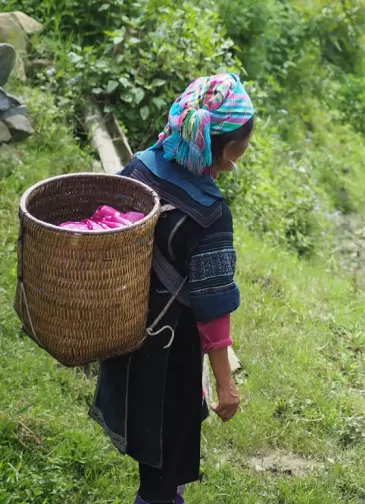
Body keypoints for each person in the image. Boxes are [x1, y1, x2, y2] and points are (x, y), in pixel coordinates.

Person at [90, 73, 254, 504]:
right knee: (161, 477)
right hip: (171, 354)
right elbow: (213, 308)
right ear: (222, 147)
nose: (246, 150)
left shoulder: (139, 168)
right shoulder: (210, 213)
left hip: (128, 334)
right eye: (242, 141)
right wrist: (226, 385)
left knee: (156, 459)